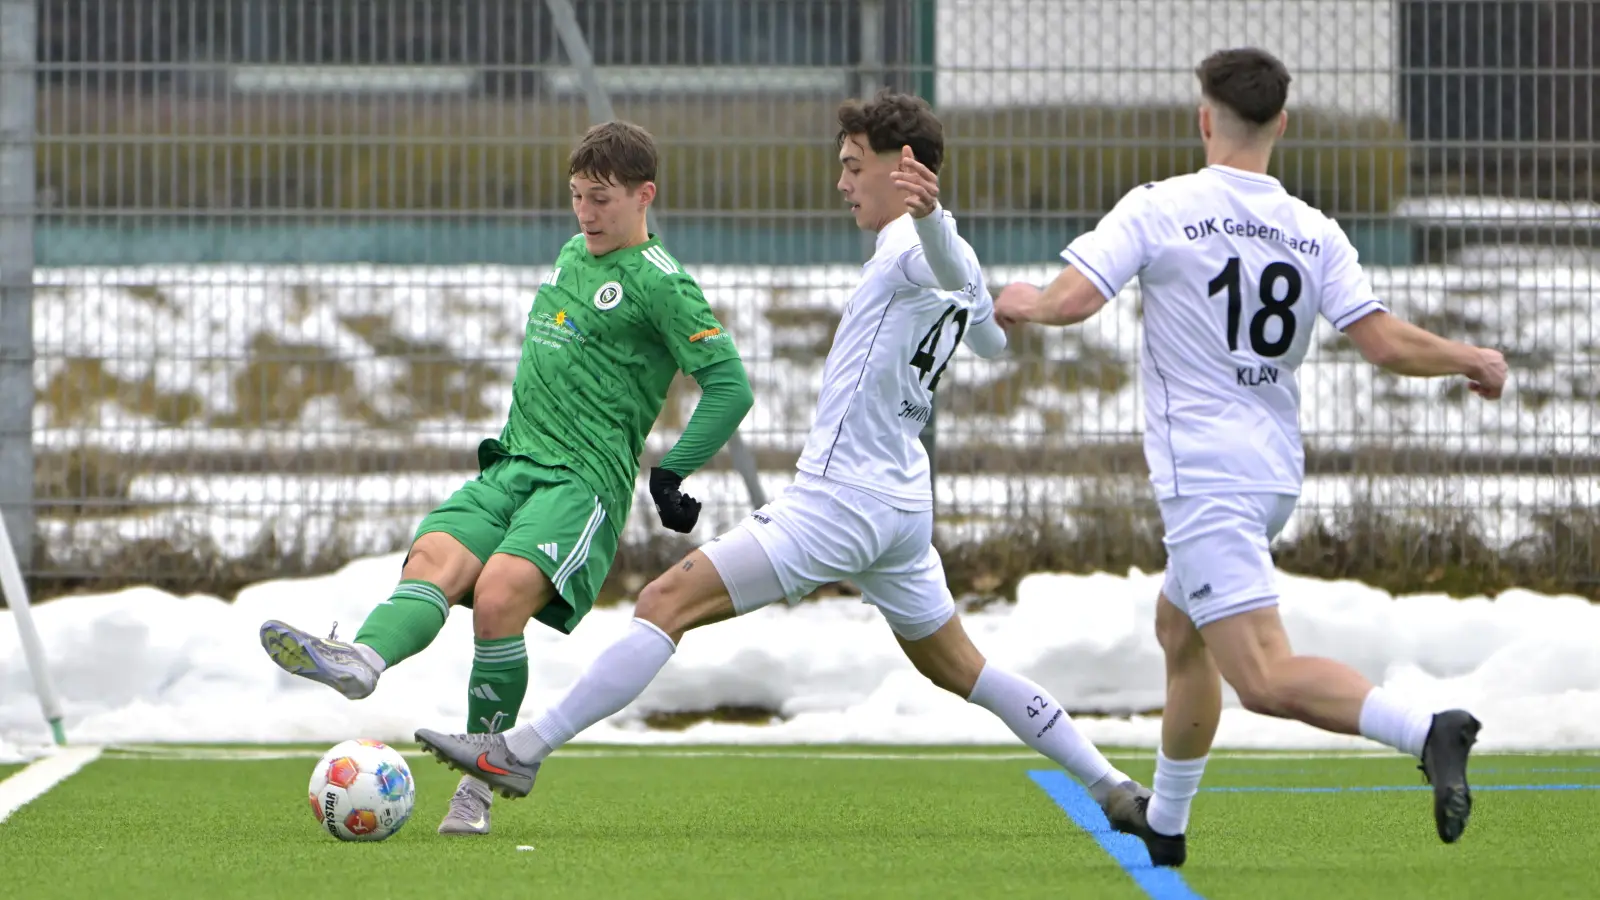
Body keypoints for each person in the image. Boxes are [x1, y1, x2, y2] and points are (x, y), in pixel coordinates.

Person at [411, 89, 1150, 820]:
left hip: (839, 501)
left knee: (663, 603)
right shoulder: (941, 251)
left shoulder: (914, 246)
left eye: (855, 166)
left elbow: (946, 268)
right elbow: (986, 336)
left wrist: (934, 228)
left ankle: (521, 750)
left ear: (905, 169)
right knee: (966, 670)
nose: (842, 182)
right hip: (899, 506)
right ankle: (1110, 784)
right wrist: (996, 296)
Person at [991, 48, 1509, 866]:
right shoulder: (1313, 228)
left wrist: (1020, 301)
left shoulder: (1161, 207)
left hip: (1207, 478)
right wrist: (1468, 356)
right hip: (1269, 473)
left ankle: (1426, 731)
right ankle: (1165, 820)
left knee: (1263, 676)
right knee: (1180, 629)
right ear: (1282, 125)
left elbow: (1075, 299)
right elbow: (1381, 342)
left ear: (1205, 118)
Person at [258, 121, 755, 837]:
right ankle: (363, 660)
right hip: (512, 461)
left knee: (496, 600)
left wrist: (673, 469)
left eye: (602, 199)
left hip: (579, 484)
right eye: (578, 196)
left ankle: (476, 791)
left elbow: (730, 386)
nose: (586, 213)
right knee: (433, 561)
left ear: (645, 195)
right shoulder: (571, 253)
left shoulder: (663, 285)